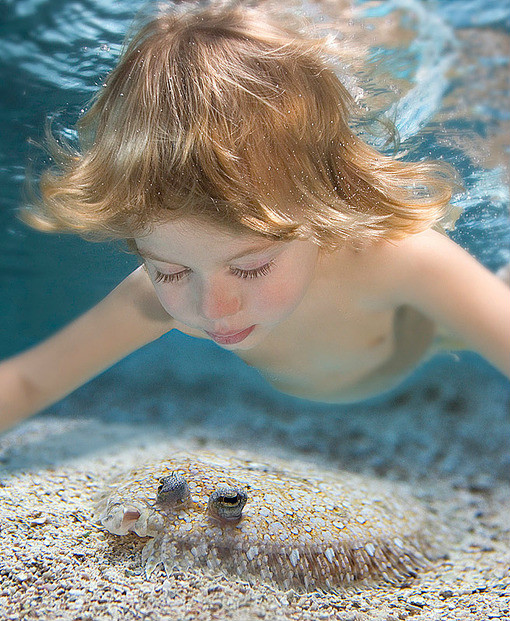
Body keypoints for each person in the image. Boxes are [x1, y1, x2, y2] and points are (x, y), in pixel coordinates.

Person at [1, 3, 509, 432]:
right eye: (171, 272)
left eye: (250, 267)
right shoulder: (164, 300)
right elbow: (31, 380)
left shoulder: (400, 257)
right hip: (346, 376)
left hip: (414, 343)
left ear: (323, 203)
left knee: (461, 327)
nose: (214, 310)